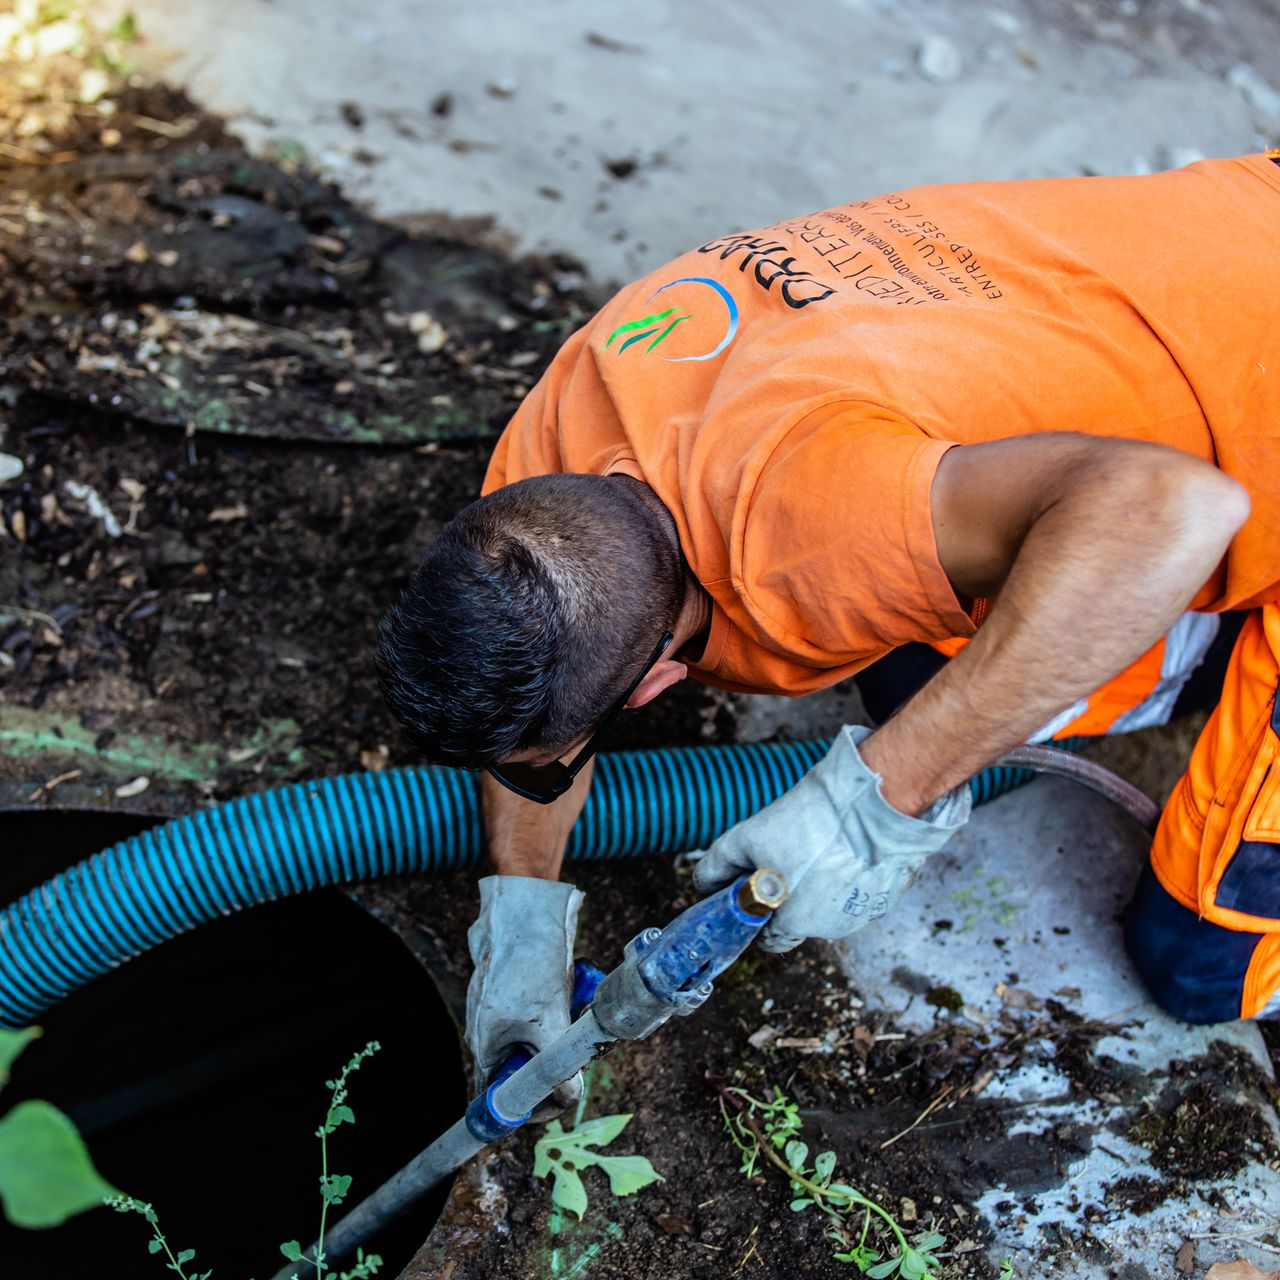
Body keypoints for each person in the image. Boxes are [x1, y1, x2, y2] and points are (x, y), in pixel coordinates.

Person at [376, 151, 1280, 1113]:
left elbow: (1176, 511)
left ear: (651, 690)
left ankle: (1208, 636)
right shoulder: (544, 474)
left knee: (1201, 967)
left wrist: (878, 800)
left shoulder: (811, 532)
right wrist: (522, 915)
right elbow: (543, 706)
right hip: (1217, 246)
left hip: (1197, 481)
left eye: (549, 760)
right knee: (926, 683)